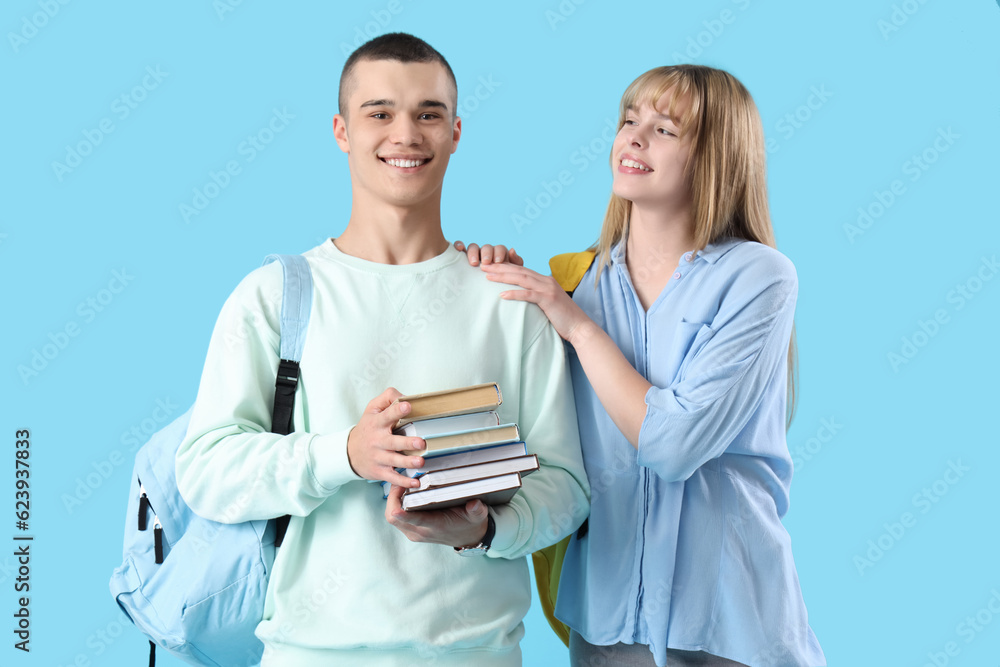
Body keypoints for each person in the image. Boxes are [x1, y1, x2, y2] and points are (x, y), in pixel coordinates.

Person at [175, 33, 589, 667]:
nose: (406, 134)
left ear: (455, 132)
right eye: (379, 113)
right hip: (310, 655)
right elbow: (205, 468)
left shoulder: (511, 300)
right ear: (342, 131)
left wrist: (483, 530)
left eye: (428, 113)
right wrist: (344, 453)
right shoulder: (275, 296)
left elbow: (565, 485)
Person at [458, 65, 826, 666]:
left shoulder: (758, 277)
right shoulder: (577, 283)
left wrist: (576, 328)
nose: (634, 138)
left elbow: (673, 443)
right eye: (629, 121)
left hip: (730, 624)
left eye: (665, 129)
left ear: (716, 157)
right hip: (604, 627)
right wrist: (478, 279)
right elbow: (525, 434)